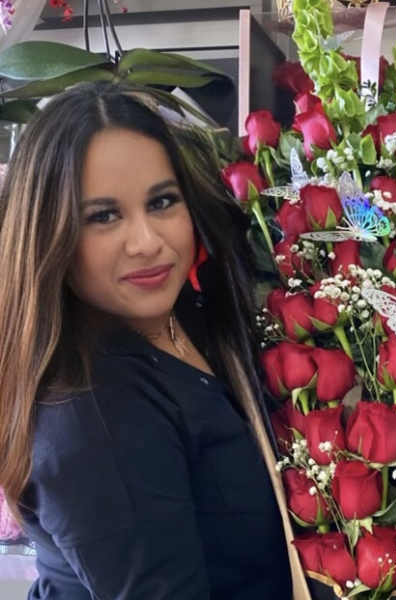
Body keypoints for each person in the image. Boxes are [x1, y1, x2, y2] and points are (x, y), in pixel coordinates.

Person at [0, 82, 294, 599]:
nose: (147, 242)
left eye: (161, 202)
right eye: (103, 216)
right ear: (50, 235)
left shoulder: (189, 316)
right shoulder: (92, 415)